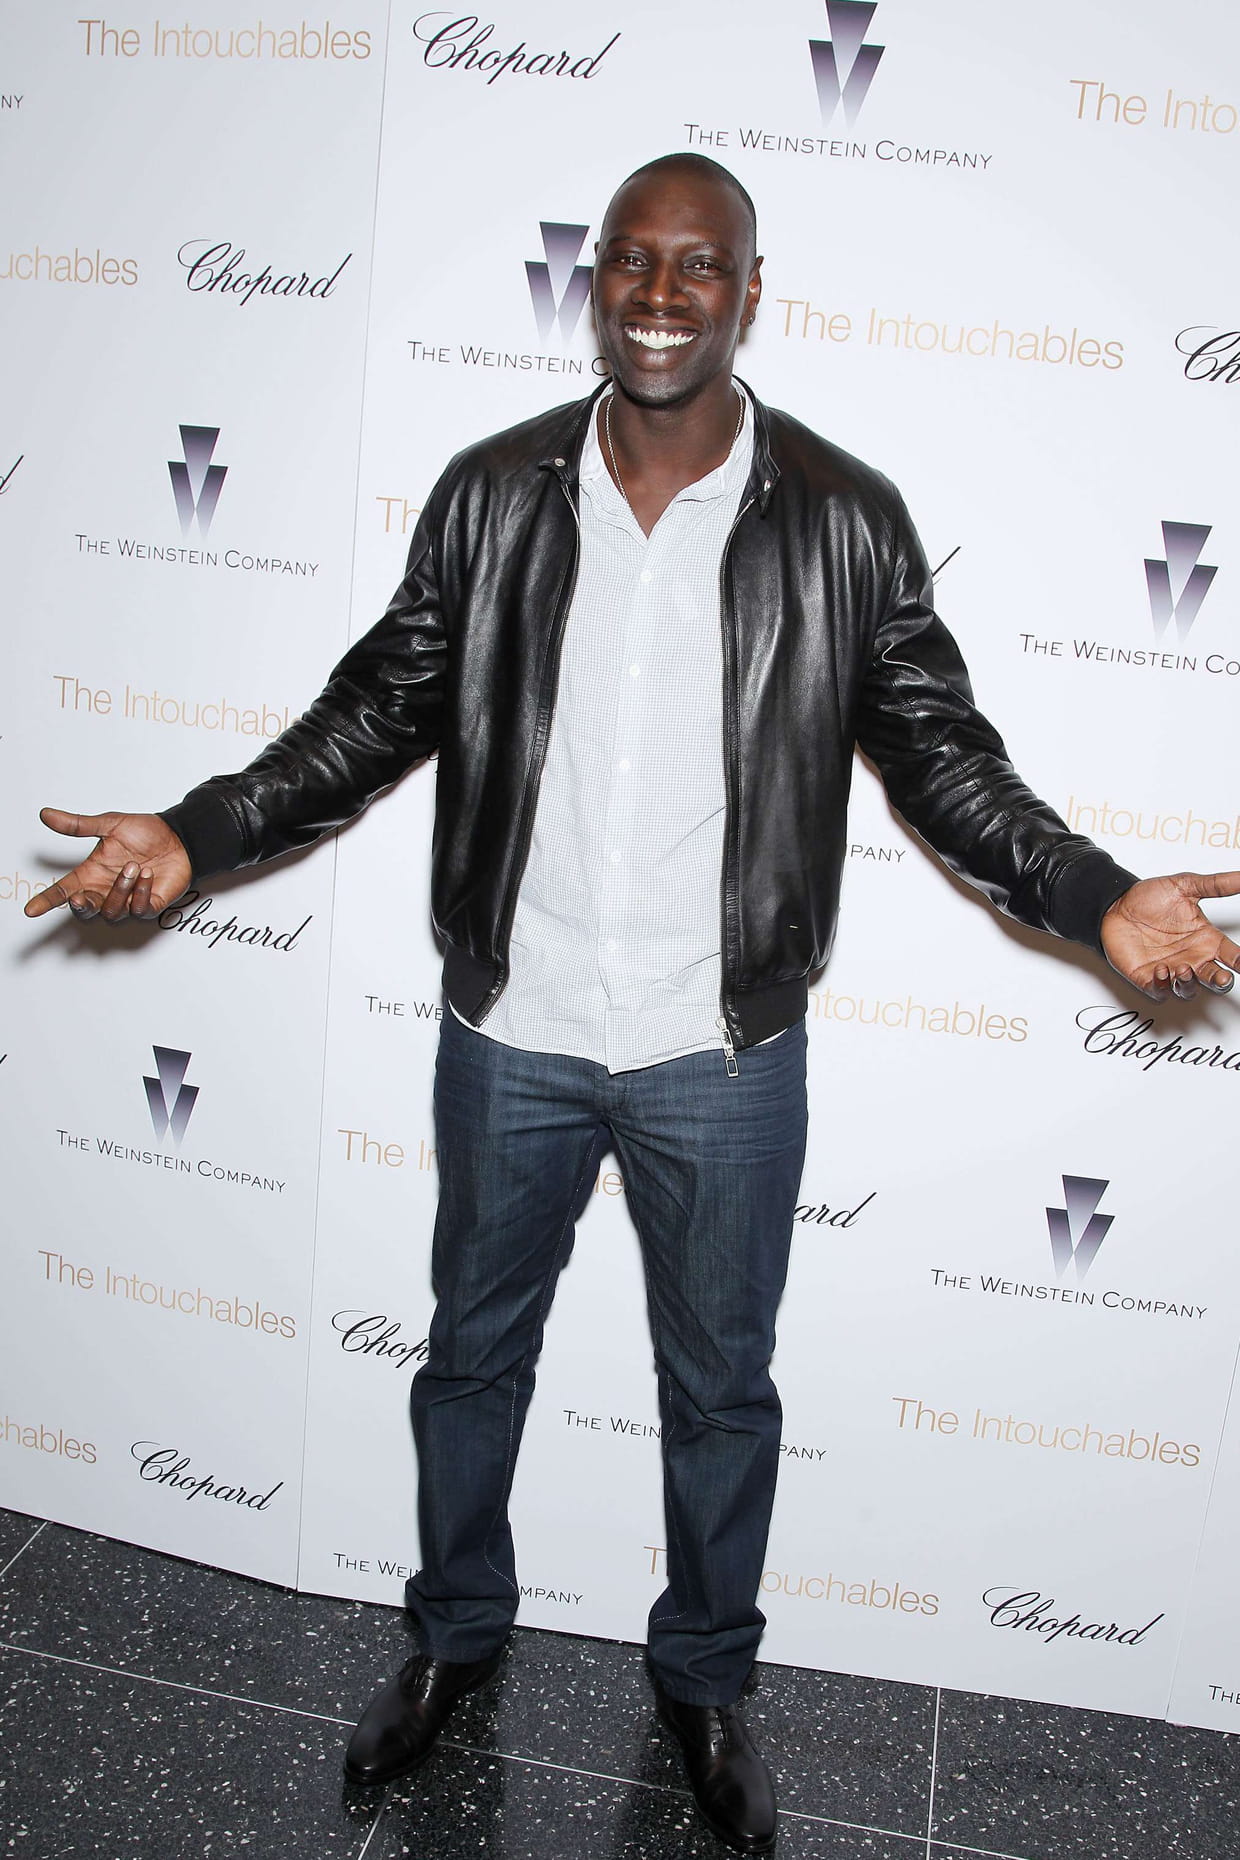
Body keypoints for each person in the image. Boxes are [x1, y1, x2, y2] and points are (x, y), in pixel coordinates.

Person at [25, 153, 1239, 1855]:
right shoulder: (492, 496)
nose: (662, 297)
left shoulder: (843, 519)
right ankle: (452, 1639)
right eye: (631, 263)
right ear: (592, 282)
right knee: (470, 1362)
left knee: (723, 1393)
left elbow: (946, 761)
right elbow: (367, 717)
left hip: (719, 1050)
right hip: (511, 1029)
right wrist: (199, 832)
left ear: (752, 293)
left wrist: (1095, 894)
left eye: (700, 266)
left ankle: (706, 1683)